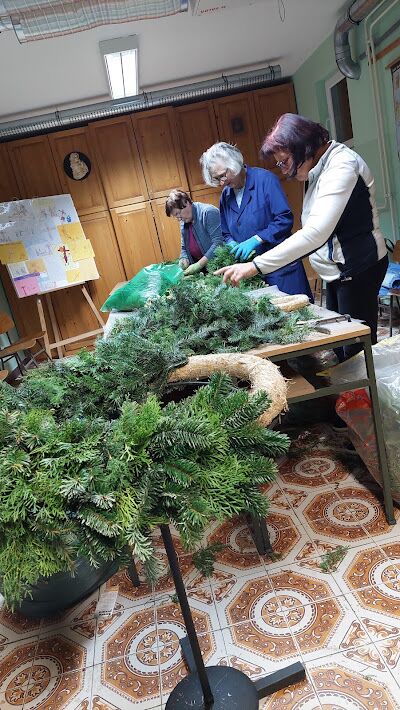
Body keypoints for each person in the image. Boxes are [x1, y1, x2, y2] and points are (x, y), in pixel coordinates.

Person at [214, 114, 388, 360]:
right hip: (337, 271)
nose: (284, 170)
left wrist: (255, 266)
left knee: (356, 349)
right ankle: (346, 379)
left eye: (285, 161)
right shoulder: (316, 168)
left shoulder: (342, 165)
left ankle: (362, 383)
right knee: (339, 342)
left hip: (358, 267)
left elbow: (315, 233)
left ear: (304, 147)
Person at [200, 141, 312, 298]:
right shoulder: (226, 195)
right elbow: (225, 232)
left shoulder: (265, 180)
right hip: (252, 274)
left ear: (235, 163)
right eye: (216, 179)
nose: (222, 182)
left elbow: (284, 219)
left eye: (223, 175)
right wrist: (231, 242)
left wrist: (257, 239)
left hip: (280, 268)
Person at [165, 189, 223, 275]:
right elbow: (184, 247)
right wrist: (183, 258)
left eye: (178, 213)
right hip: (202, 272)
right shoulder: (184, 220)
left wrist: (199, 264)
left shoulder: (208, 212)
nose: (179, 218)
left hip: (218, 267)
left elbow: (218, 243)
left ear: (186, 202)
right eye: (176, 216)